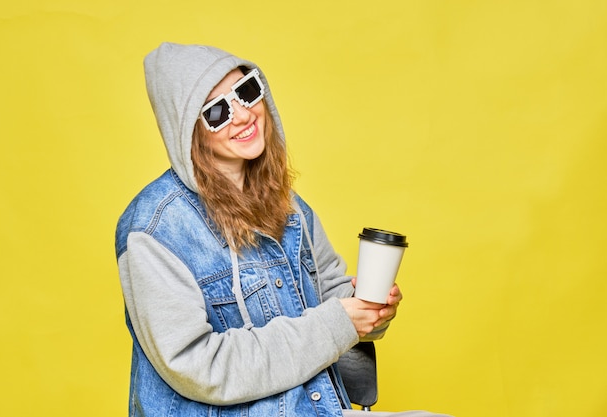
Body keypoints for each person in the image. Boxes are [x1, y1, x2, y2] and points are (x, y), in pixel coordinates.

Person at [115, 42, 451, 417]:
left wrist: (369, 308)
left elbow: (330, 295)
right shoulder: (154, 230)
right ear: (186, 130)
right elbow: (198, 367)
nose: (243, 116)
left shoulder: (290, 207)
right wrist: (338, 323)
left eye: (246, 91)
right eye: (217, 111)